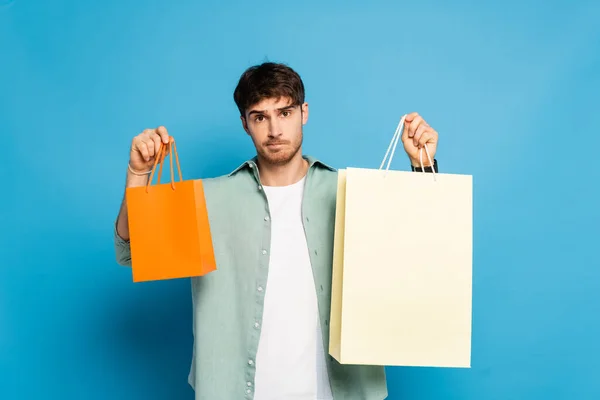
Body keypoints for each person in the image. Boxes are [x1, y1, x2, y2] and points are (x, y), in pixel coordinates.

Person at [114, 62, 439, 400]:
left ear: (304, 112)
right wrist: (138, 174)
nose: (274, 130)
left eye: (284, 113)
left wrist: (423, 165)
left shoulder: (350, 193)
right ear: (245, 123)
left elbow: (418, 252)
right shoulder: (209, 199)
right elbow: (131, 252)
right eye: (260, 117)